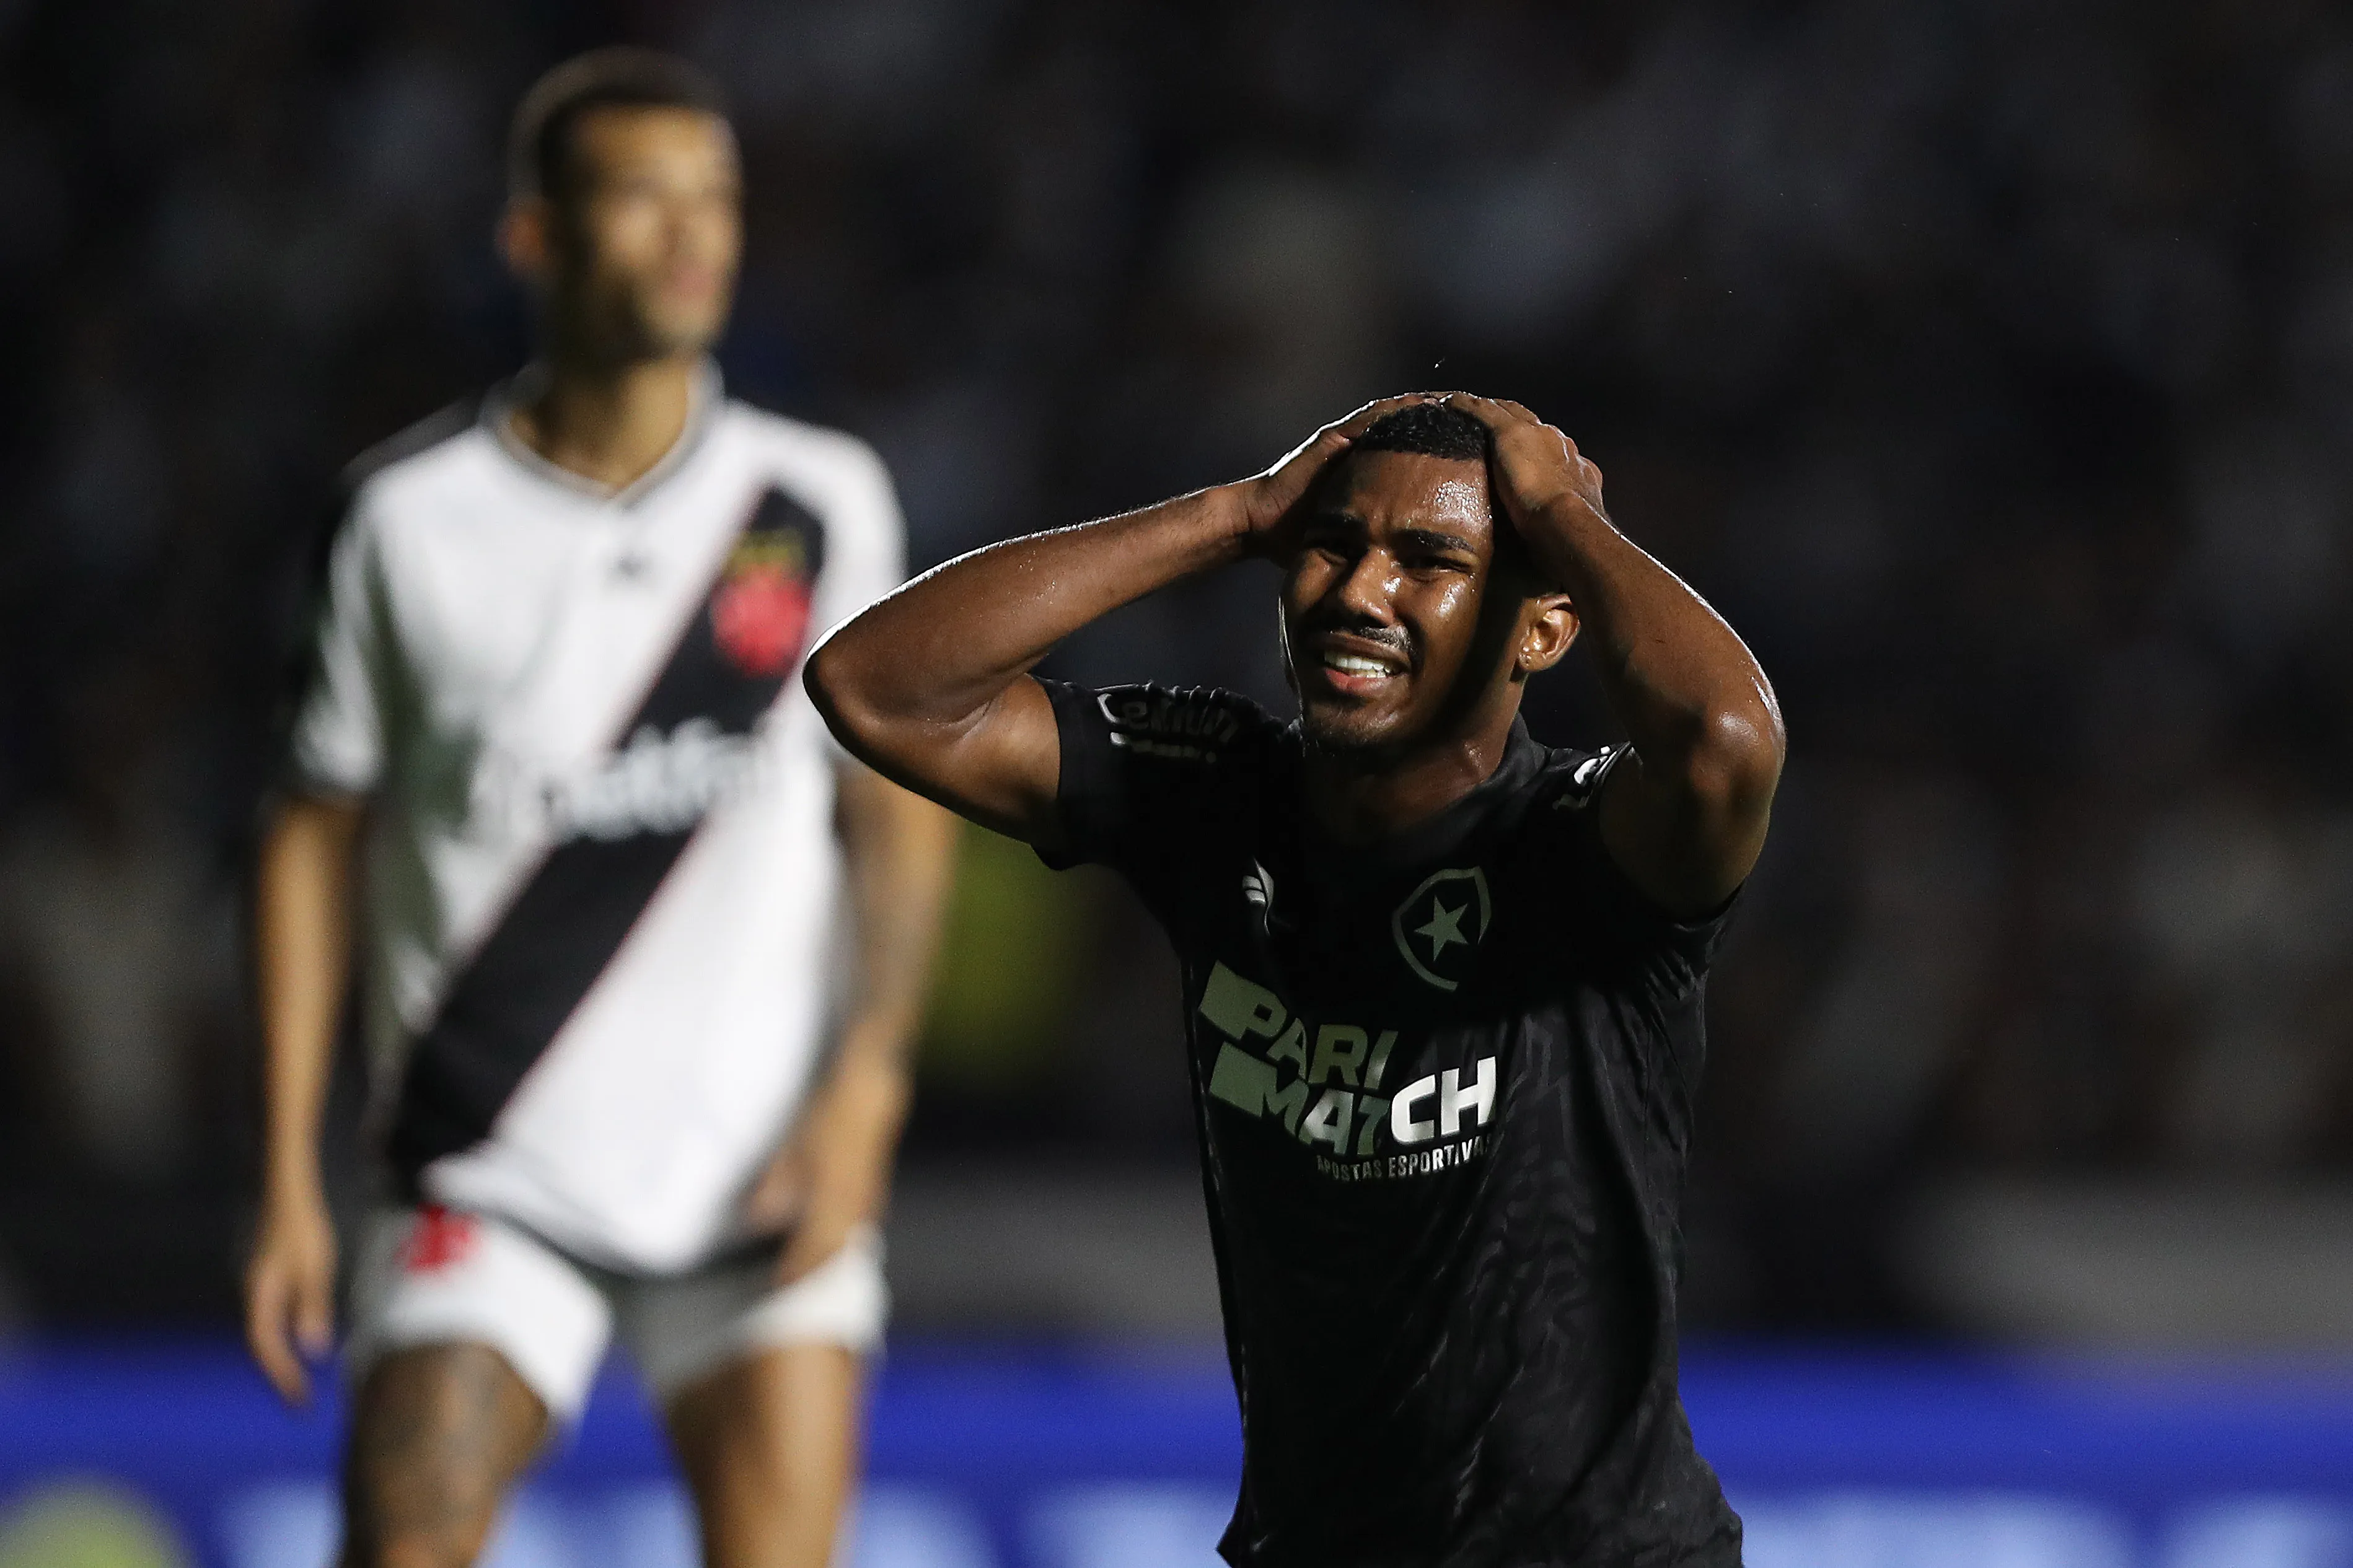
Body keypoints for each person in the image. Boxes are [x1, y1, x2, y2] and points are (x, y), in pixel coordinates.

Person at [807, 393, 1783, 1566]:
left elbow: (1729, 739)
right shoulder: (1220, 796)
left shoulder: (1583, 851)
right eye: (1333, 543)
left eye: (1430, 561)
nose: (1359, 591)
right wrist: (1233, 513)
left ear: (1541, 631)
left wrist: (1559, 512)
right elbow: (878, 686)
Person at [243, 48, 957, 1568]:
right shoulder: (409, 524)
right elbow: (312, 831)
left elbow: (897, 811)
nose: (694, 235)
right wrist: (287, 1173)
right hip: (490, 1158)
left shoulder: (817, 501)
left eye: (717, 200)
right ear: (536, 240)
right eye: (644, 200)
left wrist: (866, 1089)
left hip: (759, 1162)